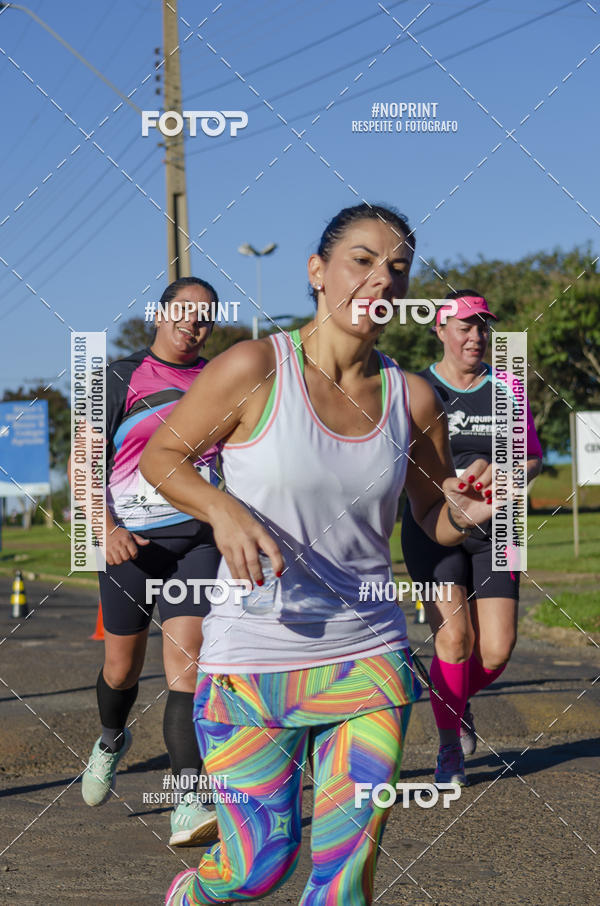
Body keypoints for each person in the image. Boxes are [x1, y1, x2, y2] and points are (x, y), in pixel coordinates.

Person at [140, 205, 495, 906]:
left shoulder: (412, 397)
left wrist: (461, 512)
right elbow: (163, 456)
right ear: (317, 272)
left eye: (397, 268)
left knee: (345, 884)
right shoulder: (254, 368)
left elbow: (430, 513)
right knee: (256, 870)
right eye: (361, 260)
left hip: (368, 662)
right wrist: (224, 511)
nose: (381, 279)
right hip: (253, 665)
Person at [78, 276, 223, 847]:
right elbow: (84, 465)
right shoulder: (116, 376)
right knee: (122, 669)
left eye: (206, 316)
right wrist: (105, 529)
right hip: (130, 545)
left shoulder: (220, 380)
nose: (194, 323)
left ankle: (189, 799)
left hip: (198, 542)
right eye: (185, 312)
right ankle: (112, 738)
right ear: (159, 315)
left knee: (186, 666)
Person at [401, 289, 543, 786]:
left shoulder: (507, 387)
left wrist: (502, 475)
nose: (476, 336)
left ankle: (450, 699)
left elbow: (532, 458)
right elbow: (393, 462)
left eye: (483, 326)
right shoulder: (414, 387)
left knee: (497, 650)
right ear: (439, 330)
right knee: (454, 638)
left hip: (501, 525)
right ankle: (449, 748)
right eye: (465, 326)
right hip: (431, 524)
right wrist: (447, 484)